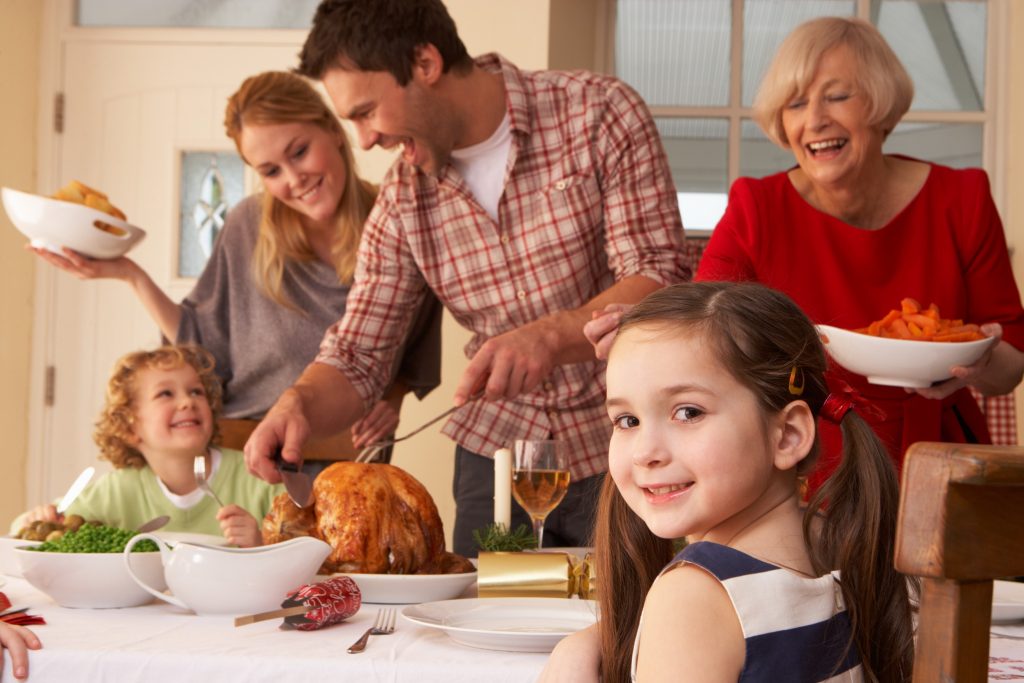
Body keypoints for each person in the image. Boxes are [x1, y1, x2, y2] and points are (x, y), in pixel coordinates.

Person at [242, 0, 690, 555]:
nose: (362, 141)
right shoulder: (404, 199)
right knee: (480, 632)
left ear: (425, 63)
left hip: (623, 442)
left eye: (365, 112)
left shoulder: (597, 113)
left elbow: (658, 278)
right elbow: (359, 354)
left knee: (628, 630)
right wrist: (298, 406)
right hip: (493, 460)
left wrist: (548, 337)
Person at [587, 17, 1024, 490]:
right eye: (795, 103)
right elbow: (702, 319)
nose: (814, 120)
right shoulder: (757, 206)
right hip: (806, 460)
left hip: (942, 463)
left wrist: (977, 363)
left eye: (837, 96)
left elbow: (1010, 365)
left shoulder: (961, 197)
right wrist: (643, 326)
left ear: (881, 107)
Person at [29, 71, 442, 462]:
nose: (294, 178)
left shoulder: (398, 218)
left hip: (352, 460)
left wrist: (392, 398)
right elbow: (204, 351)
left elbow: (415, 341)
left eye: (299, 151)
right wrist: (130, 275)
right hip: (247, 460)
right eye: (271, 171)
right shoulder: (248, 226)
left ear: (334, 130)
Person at [542, 281, 915, 683]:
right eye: (627, 421)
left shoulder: (696, 595)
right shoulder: (840, 543)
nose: (645, 452)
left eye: (688, 412)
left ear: (787, 435)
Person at [13, 345, 280, 546]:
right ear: (130, 428)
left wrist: (260, 543)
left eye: (196, 391)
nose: (187, 402)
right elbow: (29, 531)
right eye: (166, 393)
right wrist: (32, 520)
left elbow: (309, 552)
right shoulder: (117, 490)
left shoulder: (257, 477)